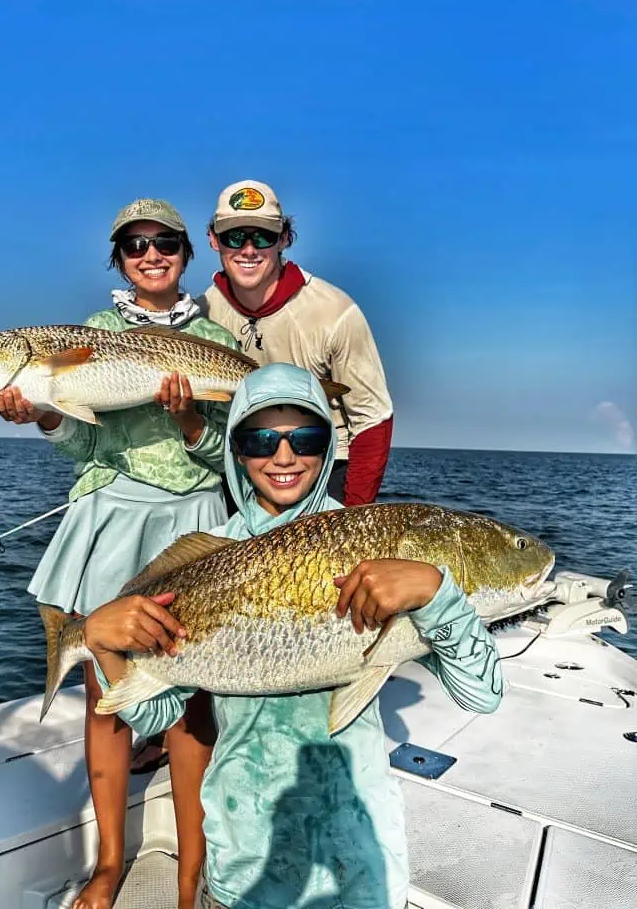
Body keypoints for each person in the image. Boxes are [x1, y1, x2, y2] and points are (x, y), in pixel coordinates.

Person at [84, 363, 503, 909]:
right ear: (236, 449)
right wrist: (100, 643)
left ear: (328, 446)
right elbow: (156, 717)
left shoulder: (382, 548)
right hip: (243, 861)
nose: (284, 457)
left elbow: (483, 695)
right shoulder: (214, 550)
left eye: (305, 438)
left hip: (360, 867)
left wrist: (439, 591)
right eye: (261, 439)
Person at [0, 197, 239, 909]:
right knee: (105, 698)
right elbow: (86, 444)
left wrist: (190, 417)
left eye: (164, 243)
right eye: (134, 245)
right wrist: (41, 414)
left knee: (192, 698)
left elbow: (225, 458)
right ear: (119, 259)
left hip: (191, 518)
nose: (150, 255)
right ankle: (107, 864)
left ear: (187, 255)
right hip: (111, 517)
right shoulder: (93, 332)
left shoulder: (217, 339)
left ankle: (193, 872)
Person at [198, 179, 394, 506]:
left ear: (285, 239)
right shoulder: (200, 315)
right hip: (240, 469)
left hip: (324, 469)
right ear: (213, 241)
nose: (248, 249)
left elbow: (374, 419)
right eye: (234, 236)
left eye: (263, 236)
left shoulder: (336, 311)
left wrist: (351, 513)